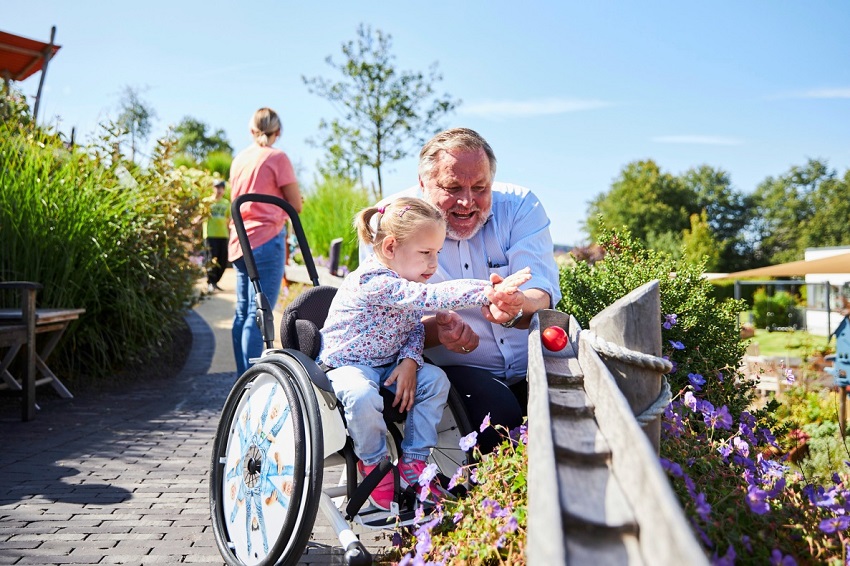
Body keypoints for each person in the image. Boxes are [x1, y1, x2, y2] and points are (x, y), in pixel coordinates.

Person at [320, 197, 531, 510]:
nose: (434, 264)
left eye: (437, 253)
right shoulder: (374, 280)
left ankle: (414, 460)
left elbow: (412, 326)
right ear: (390, 247)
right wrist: (487, 291)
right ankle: (374, 463)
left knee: (434, 379)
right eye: (425, 253)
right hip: (347, 366)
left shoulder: (404, 279)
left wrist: (410, 360)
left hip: (388, 363)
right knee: (361, 394)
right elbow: (429, 298)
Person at [360, 127, 561, 452]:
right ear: (423, 184)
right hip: (453, 374)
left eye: (480, 188)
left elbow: (542, 290)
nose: (467, 201)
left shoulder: (521, 206)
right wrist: (439, 331)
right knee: (498, 415)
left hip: (533, 364)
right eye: (452, 187)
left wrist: (517, 305)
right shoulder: (390, 223)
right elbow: (384, 331)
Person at [228, 107, 303, 376]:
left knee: (243, 312)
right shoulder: (277, 157)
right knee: (259, 311)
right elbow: (295, 204)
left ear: (251, 130)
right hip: (266, 238)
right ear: (278, 132)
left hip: (239, 239)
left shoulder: (239, 160)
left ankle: (240, 379)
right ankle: (250, 381)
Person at [203, 179, 231, 293]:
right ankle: (210, 282)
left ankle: (215, 282)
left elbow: (228, 220)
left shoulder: (226, 203)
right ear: (213, 188)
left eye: (221, 188)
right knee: (211, 259)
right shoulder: (207, 202)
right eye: (217, 187)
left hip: (223, 235)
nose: (219, 190)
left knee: (223, 260)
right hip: (210, 235)